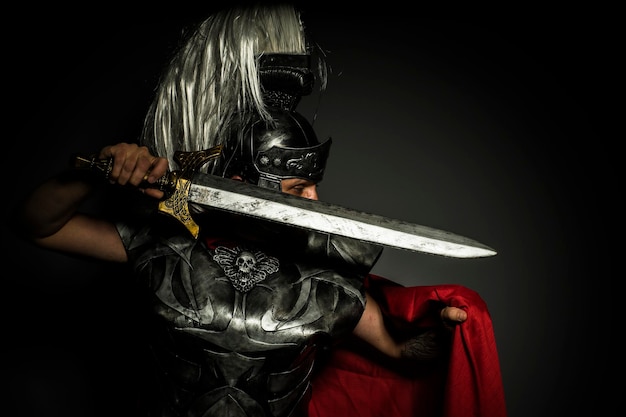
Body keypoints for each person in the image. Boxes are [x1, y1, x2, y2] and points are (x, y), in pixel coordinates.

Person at [15, 3, 506, 417]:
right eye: (296, 187)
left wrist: (443, 334)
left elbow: (402, 354)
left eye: (314, 185)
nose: (313, 200)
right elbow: (39, 226)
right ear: (239, 187)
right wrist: (93, 172)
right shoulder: (165, 241)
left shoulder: (326, 274)